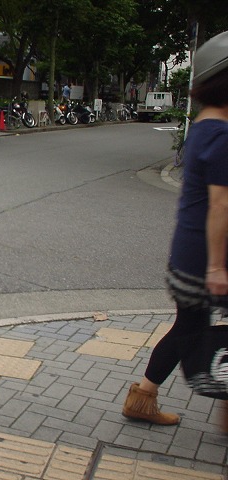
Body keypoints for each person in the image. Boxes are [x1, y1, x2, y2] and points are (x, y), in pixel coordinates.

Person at [122, 30, 228, 430]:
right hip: (208, 260)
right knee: (190, 327)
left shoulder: (203, 125)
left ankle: (143, 398)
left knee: (189, 326)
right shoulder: (222, 134)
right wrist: (217, 267)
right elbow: (221, 205)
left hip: (188, 254)